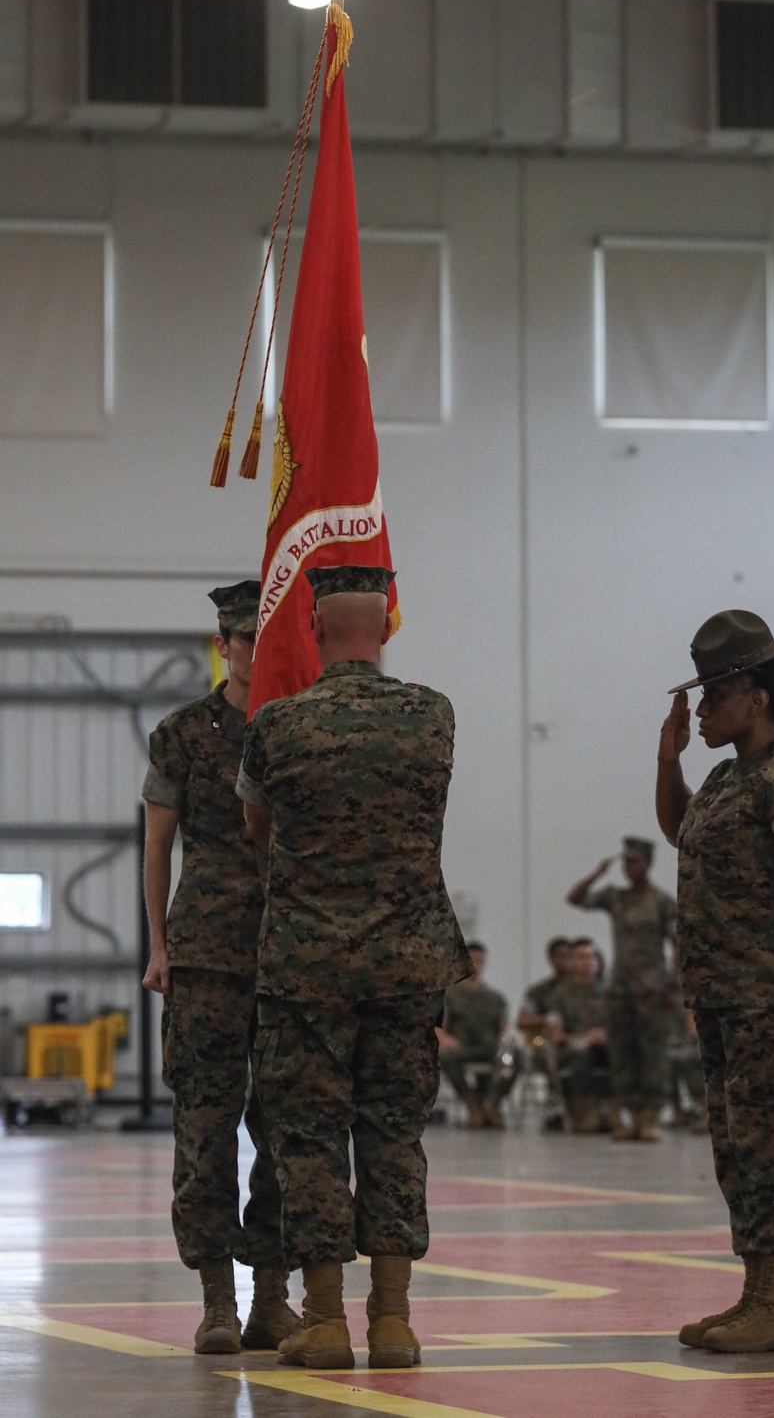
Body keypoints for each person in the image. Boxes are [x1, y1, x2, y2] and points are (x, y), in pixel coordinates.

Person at [238, 565, 471, 1372]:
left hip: (306, 965)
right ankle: (396, 1323)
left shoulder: (276, 725)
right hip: (408, 963)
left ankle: (326, 1321)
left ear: (314, 627)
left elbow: (257, 824)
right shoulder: (433, 716)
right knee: (394, 1135)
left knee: (307, 1139)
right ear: (385, 625)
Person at [656, 610, 774, 1355]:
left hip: (769, 1001)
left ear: (755, 696)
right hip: (725, 1001)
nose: (700, 711)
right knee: (737, 1151)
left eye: (712, 696)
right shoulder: (731, 780)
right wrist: (667, 759)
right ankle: (754, 1298)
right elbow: (678, 829)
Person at [141, 580, 299, 1355]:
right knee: (204, 1130)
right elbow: (158, 847)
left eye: (264, 640)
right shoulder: (181, 734)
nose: (251, 652)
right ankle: (216, 1302)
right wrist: (158, 944)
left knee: (284, 1130)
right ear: (221, 645)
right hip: (205, 953)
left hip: (286, 953)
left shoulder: (299, 731)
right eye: (241, 639)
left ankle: (272, 1296)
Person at [567, 837, 676, 1140]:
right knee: (623, 1054)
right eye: (626, 862)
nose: (629, 868)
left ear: (648, 863)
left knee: (653, 1054)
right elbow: (574, 898)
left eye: (635, 861)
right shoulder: (616, 897)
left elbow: (677, 943)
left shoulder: (662, 902)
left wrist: (674, 986)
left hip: (652, 989)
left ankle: (652, 1117)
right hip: (621, 989)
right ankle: (632, 1116)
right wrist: (597, 873)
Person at [438, 943, 522, 1129]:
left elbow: (504, 1028)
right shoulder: (449, 995)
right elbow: (440, 1027)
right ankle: (471, 1103)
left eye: (479, 961)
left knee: (516, 1055)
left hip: (489, 1046)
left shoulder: (494, 997)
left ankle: (493, 1103)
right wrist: (445, 1039)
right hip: (462, 1046)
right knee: (445, 1055)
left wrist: (508, 1039)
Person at [548, 938, 610, 1133]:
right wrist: (584, 1037)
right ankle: (586, 1110)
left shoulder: (610, 992)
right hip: (573, 1047)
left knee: (624, 1052)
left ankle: (615, 1111)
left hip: (605, 1045)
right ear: (573, 962)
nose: (588, 962)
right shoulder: (560, 995)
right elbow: (556, 1033)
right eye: (582, 957)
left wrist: (605, 1035)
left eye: (591, 957)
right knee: (581, 1055)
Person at [517, 937, 573, 1045]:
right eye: (560, 956)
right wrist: (546, 1019)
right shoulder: (539, 991)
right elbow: (522, 1021)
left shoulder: (581, 990)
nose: (565, 961)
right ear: (551, 958)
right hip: (548, 1043)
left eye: (568, 956)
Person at [664, 1002, 708, 1133]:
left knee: (692, 1068)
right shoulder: (676, 1015)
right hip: (686, 1050)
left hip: (701, 1053)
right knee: (668, 1066)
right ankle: (678, 1111)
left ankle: (707, 1113)